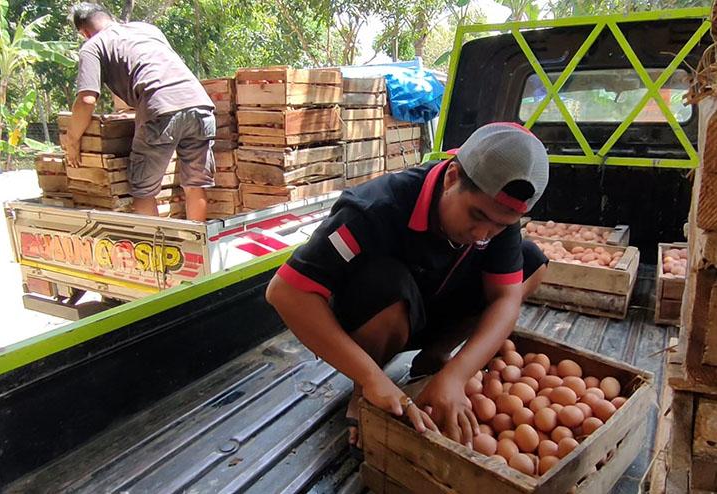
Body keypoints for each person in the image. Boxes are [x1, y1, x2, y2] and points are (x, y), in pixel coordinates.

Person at [265, 122, 550, 449]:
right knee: (389, 284)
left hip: (432, 306)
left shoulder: (497, 217)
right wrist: (373, 379)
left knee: (530, 263)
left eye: (500, 226)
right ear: (452, 178)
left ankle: (435, 357)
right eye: (477, 215)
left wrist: (458, 375)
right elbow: (285, 292)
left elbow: (505, 299)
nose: (482, 234)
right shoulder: (376, 208)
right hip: (377, 319)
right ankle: (366, 391)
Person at [64, 3, 216, 221]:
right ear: (110, 17)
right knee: (195, 185)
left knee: (143, 192)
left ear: (84, 32)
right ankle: (199, 251)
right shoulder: (147, 30)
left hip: (160, 111)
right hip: (200, 106)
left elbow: (87, 100)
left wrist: (72, 140)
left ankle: (157, 253)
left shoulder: (93, 46)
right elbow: (150, 69)